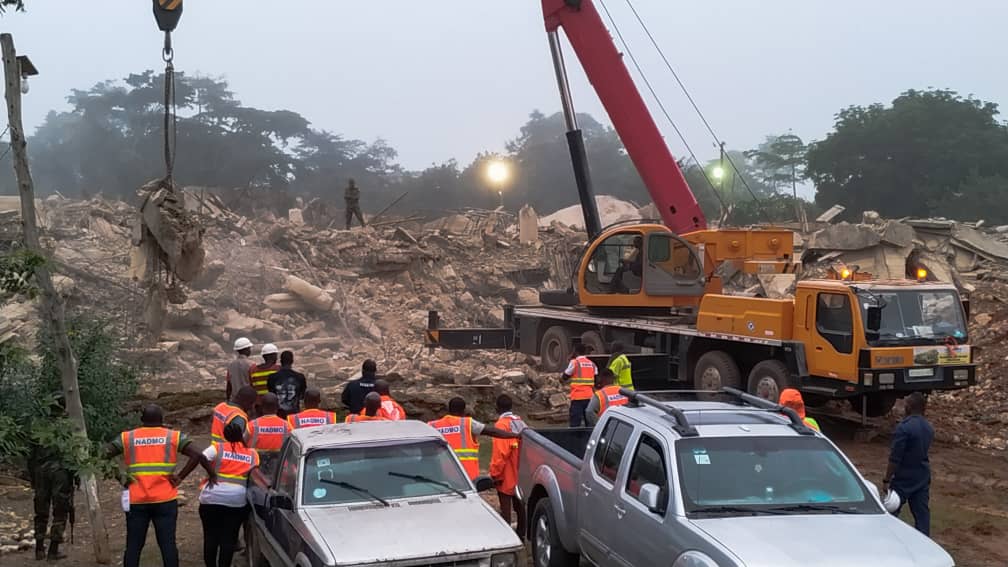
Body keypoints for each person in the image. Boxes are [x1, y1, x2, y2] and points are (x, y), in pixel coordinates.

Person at [106, 404, 214, 567]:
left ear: (141, 420)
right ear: (162, 420)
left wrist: (120, 476)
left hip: (136, 499)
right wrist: (180, 477)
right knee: (167, 545)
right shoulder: (173, 436)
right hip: (165, 498)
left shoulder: (127, 437)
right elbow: (198, 454)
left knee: (134, 546)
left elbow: (102, 454)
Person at [177, 420, 270, 567]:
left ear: (225, 435)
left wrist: (212, 473)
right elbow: (256, 471)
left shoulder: (217, 448)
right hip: (236, 500)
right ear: (241, 436)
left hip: (211, 498)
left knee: (210, 536)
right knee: (229, 538)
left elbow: (201, 456)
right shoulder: (252, 454)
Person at [428, 397, 519, 480]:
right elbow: (492, 431)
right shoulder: (467, 423)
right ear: (464, 411)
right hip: (466, 476)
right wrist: (515, 435)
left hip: (441, 475)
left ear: (448, 410)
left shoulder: (432, 425)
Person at [28, 397, 74, 560]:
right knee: (60, 510)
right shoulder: (67, 427)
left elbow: (30, 455)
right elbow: (72, 453)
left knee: (41, 510)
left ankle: (39, 549)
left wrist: (32, 477)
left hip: (40, 471)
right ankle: (53, 550)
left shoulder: (38, 427)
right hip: (60, 472)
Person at [884, 392, 934, 536]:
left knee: (891, 509)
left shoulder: (904, 428)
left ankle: (886, 537)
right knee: (922, 514)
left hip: (903, 477)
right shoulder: (928, 428)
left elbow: (895, 458)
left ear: (910, 407)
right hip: (922, 476)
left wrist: (887, 479)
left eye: (906, 404)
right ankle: (925, 541)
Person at [489, 394, 526, 537]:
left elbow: (500, 454)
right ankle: (522, 534)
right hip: (521, 472)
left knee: (506, 509)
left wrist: (495, 474)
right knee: (520, 507)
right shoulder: (521, 422)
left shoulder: (501, 425)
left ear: (497, 408)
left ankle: (507, 537)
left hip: (507, 473)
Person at [247, 393, 292, 476]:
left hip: (256, 469)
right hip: (278, 469)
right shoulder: (287, 426)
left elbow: (242, 445)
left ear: (261, 407)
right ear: (278, 407)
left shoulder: (251, 425)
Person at [562, 343, 597, 427]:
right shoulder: (592, 364)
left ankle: (574, 439)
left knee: (575, 423)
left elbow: (565, 376)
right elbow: (596, 377)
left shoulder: (574, 362)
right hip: (589, 397)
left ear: (576, 351)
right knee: (589, 422)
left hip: (577, 397)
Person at [267, 350, 307, 419]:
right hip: (294, 415)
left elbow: (271, 395)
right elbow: (302, 396)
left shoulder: (272, 377)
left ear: (281, 361)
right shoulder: (300, 377)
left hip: (278, 415)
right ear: (292, 361)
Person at [225, 337, 255, 402]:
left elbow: (229, 386)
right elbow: (254, 383)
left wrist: (227, 400)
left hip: (235, 400)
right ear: (247, 349)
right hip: (248, 400)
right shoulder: (251, 364)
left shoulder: (231, 365)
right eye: (249, 348)